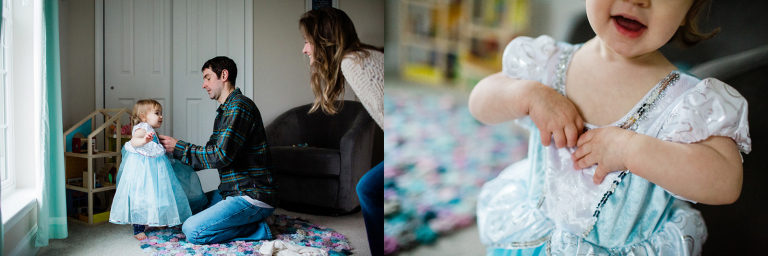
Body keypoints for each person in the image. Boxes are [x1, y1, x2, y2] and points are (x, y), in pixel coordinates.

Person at [469, 0, 750, 254]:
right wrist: (527, 95)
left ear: (687, 13)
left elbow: (726, 183)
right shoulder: (548, 62)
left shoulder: (686, 102)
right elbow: (479, 102)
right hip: (533, 240)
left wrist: (632, 150)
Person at [158, 56, 279, 244]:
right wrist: (169, 154)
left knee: (193, 230)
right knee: (183, 209)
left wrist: (179, 147)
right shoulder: (224, 112)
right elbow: (209, 154)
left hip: (252, 195)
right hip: (230, 191)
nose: (203, 84)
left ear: (224, 75)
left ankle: (259, 227)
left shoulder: (240, 106)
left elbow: (220, 156)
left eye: (207, 77)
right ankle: (252, 220)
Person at [299, 7, 384, 256]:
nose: (304, 49)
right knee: (368, 188)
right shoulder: (360, 56)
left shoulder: (352, 63)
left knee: (368, 189)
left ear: (324, 40)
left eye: (307, 41)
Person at [109, 99, 193, 240]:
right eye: (157, 113)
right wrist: (144, 141)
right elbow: (134, 141)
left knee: (158, 194)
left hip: (155, 170)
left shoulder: (150, 129)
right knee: (142, 198)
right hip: (143, 171)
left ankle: (158, 220)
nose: (161, 116)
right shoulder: (142, 128)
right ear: (143, 116)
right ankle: (138, 228)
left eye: (161, 113)